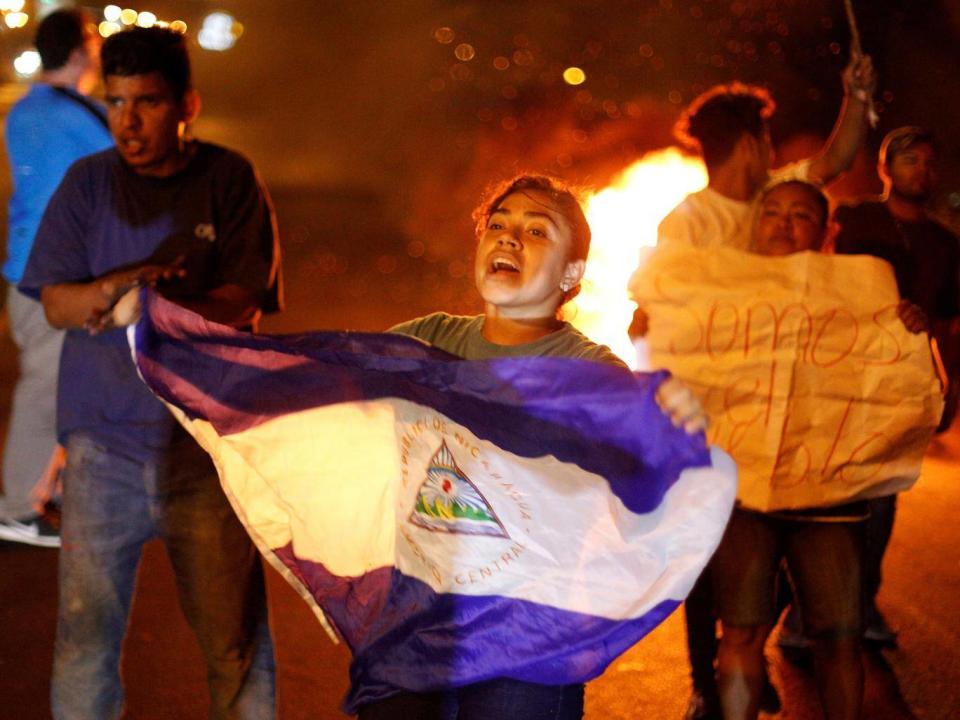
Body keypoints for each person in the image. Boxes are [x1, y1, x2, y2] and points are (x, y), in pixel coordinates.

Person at [354, 174, 706, 720]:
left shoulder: (591, 373)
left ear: (572, 273)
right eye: (498, 225)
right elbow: (327, 394)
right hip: (415, 617)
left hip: (528, 629)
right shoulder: (424, 340)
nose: (509, 239)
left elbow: (640, 481)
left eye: (536, 230)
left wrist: (666, 430)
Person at [18, 26, 281, 719]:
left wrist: (155, 306)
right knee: (84, 645)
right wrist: (120, 289)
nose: (128, 123)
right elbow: (55, 301)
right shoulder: (88, 184)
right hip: (102, 451)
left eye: (148, 103)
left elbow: (245, 300)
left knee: (235, 649)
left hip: (205, 452)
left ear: (186, 103)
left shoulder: (228, 179)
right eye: (114, 103)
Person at [629, 56, 877, 720]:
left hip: (795, 420)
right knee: (711, 556)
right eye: (766, 139)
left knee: (781, 560)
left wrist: (855, 97)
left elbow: (835, 158)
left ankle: (747, 654)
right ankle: (708, 685)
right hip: (721, 422)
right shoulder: (688, 223)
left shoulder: (780, 196)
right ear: (749, 142)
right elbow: (669, 305)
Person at [713, 179, 867, 720]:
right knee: (740, 630)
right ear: (754, 226)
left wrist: (909, 331)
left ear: (826, 233)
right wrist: (661, 326)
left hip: (830, 493)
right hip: (744, 490)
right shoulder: (718, 296)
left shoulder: (861, 296)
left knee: (841, 633)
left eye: (800, 214)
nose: (782, 222)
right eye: (771, 212)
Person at [833, 126, 960, 647]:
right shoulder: (853, 220)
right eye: (910, 160)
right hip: (839, 376)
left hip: (900, 387)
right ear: (886, 168)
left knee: (883, 497)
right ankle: (807, 610)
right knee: (828, 496)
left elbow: (949, 324)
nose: (921, 171)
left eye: (930, 162)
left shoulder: (944, 244)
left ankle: (861, 604)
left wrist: (948, 386)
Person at [0, 9, 113, 547]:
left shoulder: (25, 110)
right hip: (56, 273)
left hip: (30, 269)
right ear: (78, 52)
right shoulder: (80, 115)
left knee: (71, 382)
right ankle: (18, 508)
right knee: (48, 387)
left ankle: (56, 489)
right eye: (94, 41)